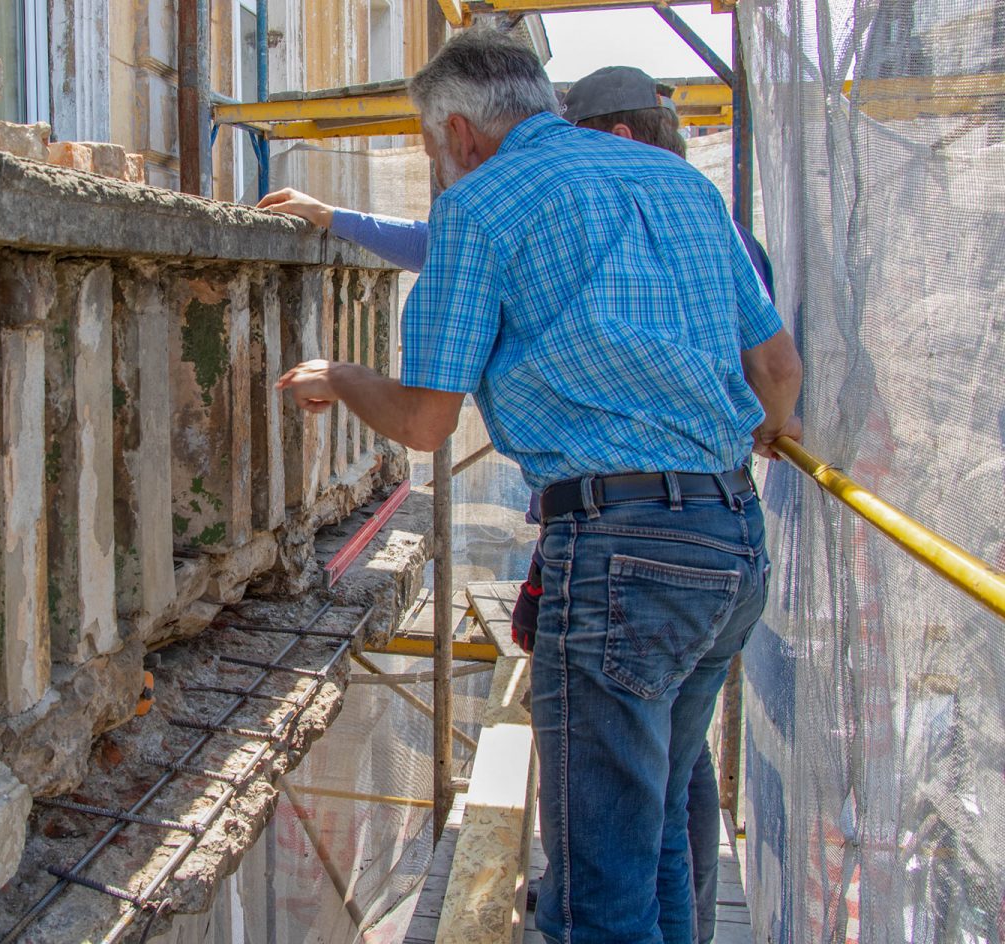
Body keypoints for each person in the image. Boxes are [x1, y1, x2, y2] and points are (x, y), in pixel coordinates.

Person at [273, 29, 802, 944]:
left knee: (598, 891)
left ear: (463, 135)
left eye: (430, 147)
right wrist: (709, 461)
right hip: (733, 542)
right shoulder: (682, 184)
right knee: (663, 826)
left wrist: (339, 375)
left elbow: (427, 424)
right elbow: (780, 372)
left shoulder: (481, 206)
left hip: (620, 560)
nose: (436, 166)